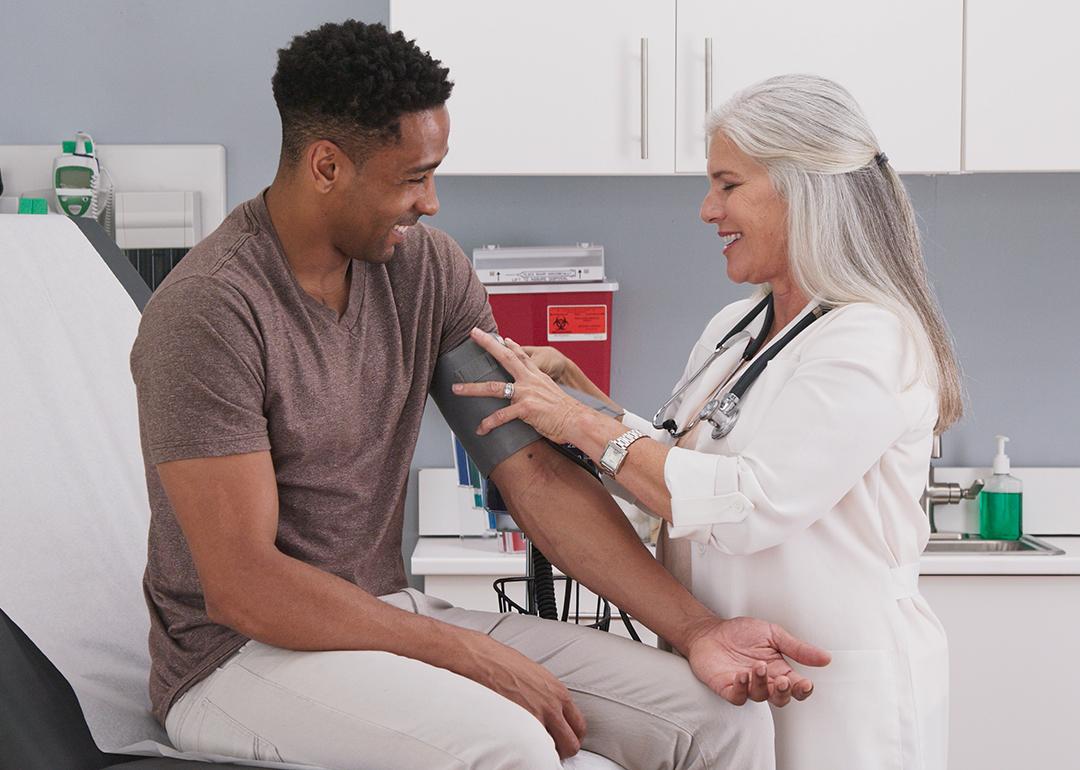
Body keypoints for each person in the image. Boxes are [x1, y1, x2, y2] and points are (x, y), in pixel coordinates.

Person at [130, 22, 831, 770]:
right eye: (410, 178)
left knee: (718, 722)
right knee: (509, 745)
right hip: (236, 661)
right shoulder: (209, 311)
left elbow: (530, 471)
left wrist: (696, 632)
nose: (431, 202)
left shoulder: (426, 272)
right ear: (326, 166)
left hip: (382, 615)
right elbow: (243, 587)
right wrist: (465, 654)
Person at [458, 74, 957, 770]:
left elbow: (749, 502)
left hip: (840, 687)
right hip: (734, 672)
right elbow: (677, 467)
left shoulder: (872, 338)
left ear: (801, 190)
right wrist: (586, 399)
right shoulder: (738, 327)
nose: (705, 210)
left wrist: (581, 423)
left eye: (728, 185)